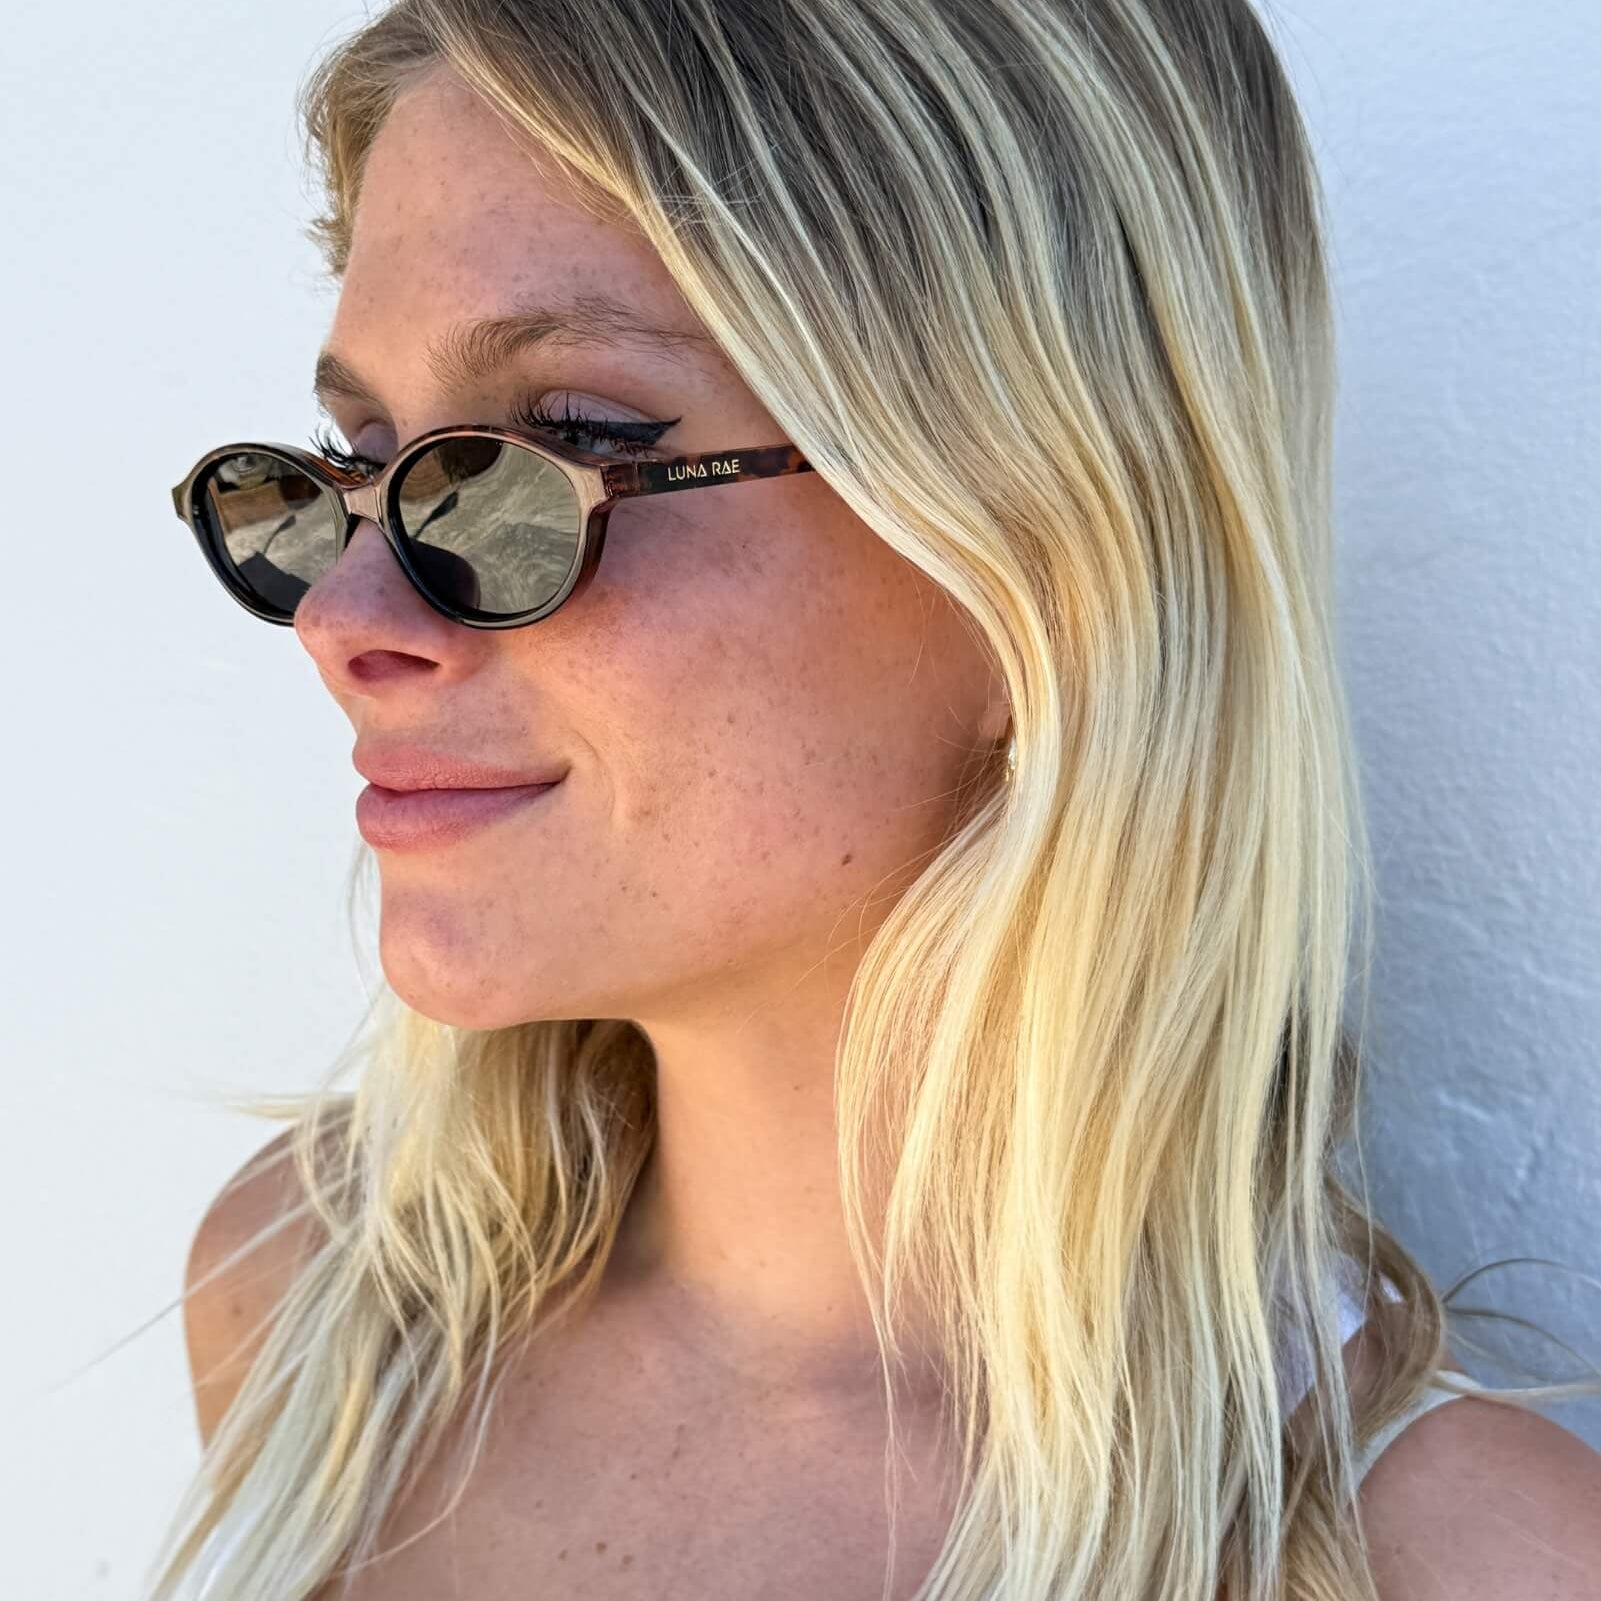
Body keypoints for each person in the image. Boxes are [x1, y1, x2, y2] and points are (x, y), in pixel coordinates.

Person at [155, 2, 1601, 1597]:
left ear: (1047, 553)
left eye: (558, 444)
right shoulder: (317, 1318)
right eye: (360, 453)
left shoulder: (1454, 1562)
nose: (345, 614)